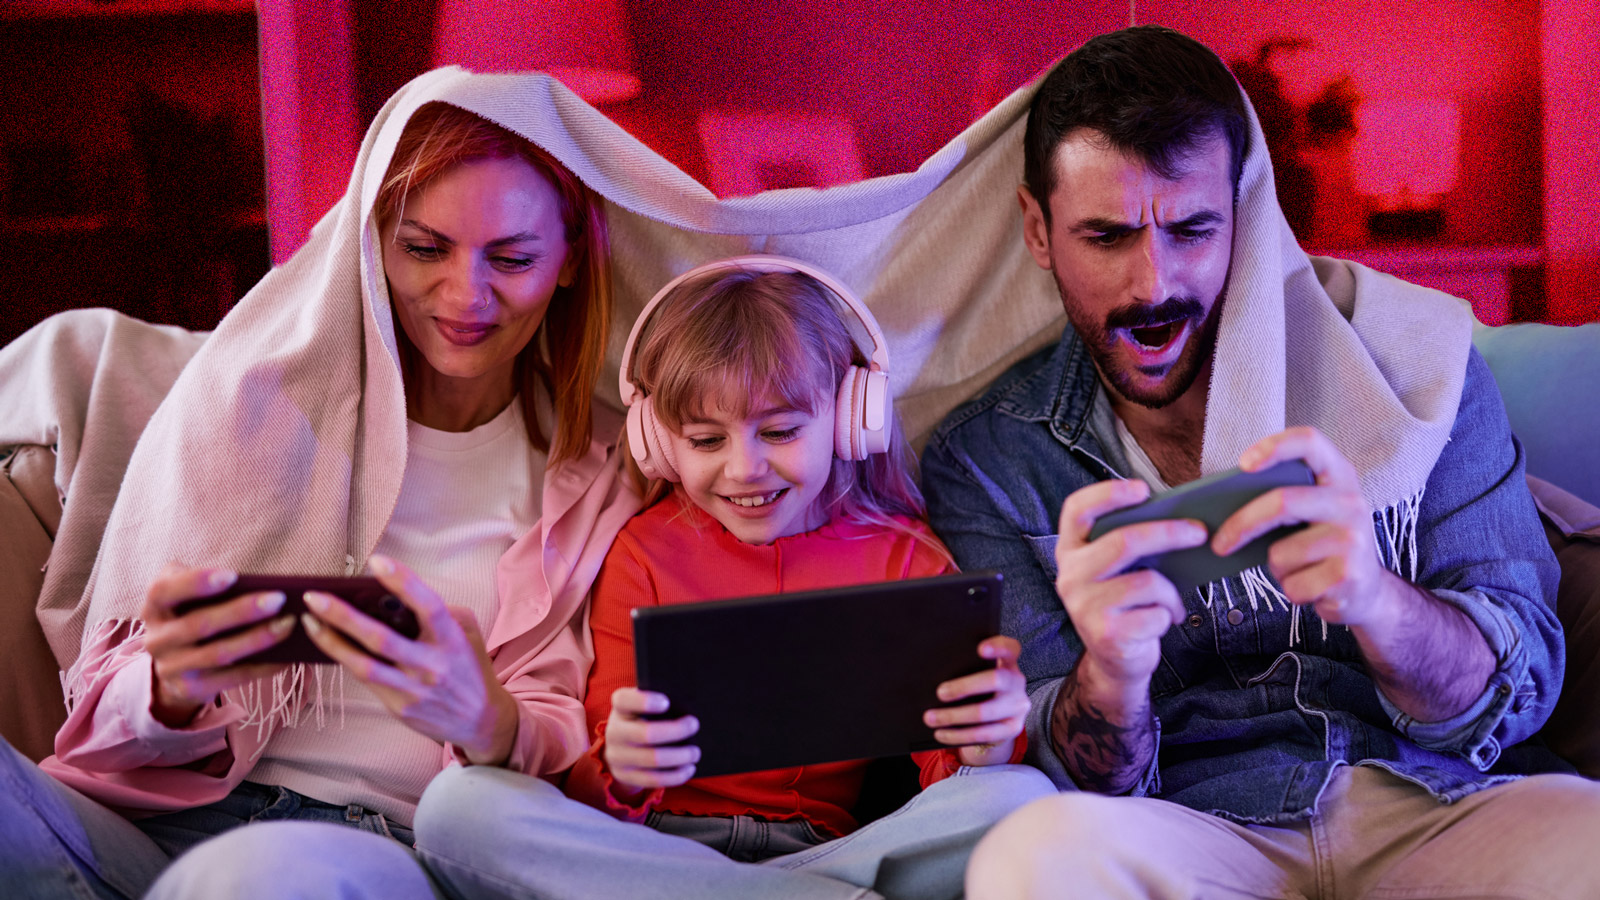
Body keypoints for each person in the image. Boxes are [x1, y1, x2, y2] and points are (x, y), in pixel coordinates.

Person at [918, 25, 1600, 899]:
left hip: (1432, 803)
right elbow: (1064, 771)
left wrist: (1377, 603)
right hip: (1189, 826)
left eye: (1193, 229)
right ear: (1038, 230)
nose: (1150, 283)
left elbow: (1525, 685)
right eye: (1106, 236)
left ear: (1245, 215)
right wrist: (1111, 675)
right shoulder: (989, 457)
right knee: (1031, 856)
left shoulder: (1419, 370)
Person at [0, 75, 641, 900]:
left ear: (569, 261)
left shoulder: (603, 474)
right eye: (424, 248)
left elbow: (591, 748)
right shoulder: (262, 414)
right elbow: (100, 741)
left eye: (511, 258)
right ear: (372, 244)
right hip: (157, 820)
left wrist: (489, 721)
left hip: (377, 843)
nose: (464, 296)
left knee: (259, 877)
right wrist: (165, 688)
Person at [411, 256, 1055, 900]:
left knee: (1018, 797)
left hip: (823, 856)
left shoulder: (907, 558)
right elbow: (595, 794)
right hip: (653, 849)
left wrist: (985, 744)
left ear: (850, 416)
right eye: (706, 440)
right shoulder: (642, 552)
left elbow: (948, 781)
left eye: (779, 430)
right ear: (659, 442)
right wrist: (621, 767)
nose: (745, 468)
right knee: (455, 810)